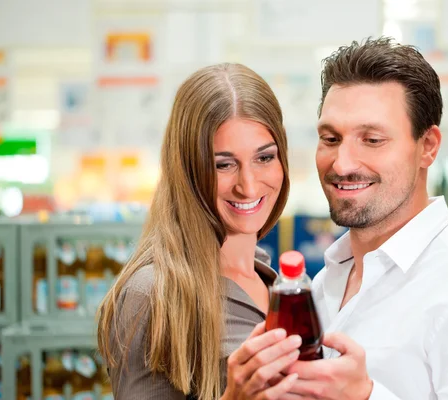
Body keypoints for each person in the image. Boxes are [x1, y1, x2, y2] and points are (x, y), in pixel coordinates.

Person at [282, 37, 448, 399]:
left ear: (427, 147)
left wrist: (366, 396)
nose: (342, 164)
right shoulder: (328, 280)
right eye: (330, 138)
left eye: (372, 139)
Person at [96, 63, 303, 400]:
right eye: (223, 164)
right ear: (188, 169)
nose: (248, 186)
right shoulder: (152, 294)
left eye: (264, 158)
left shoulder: (269, 276)